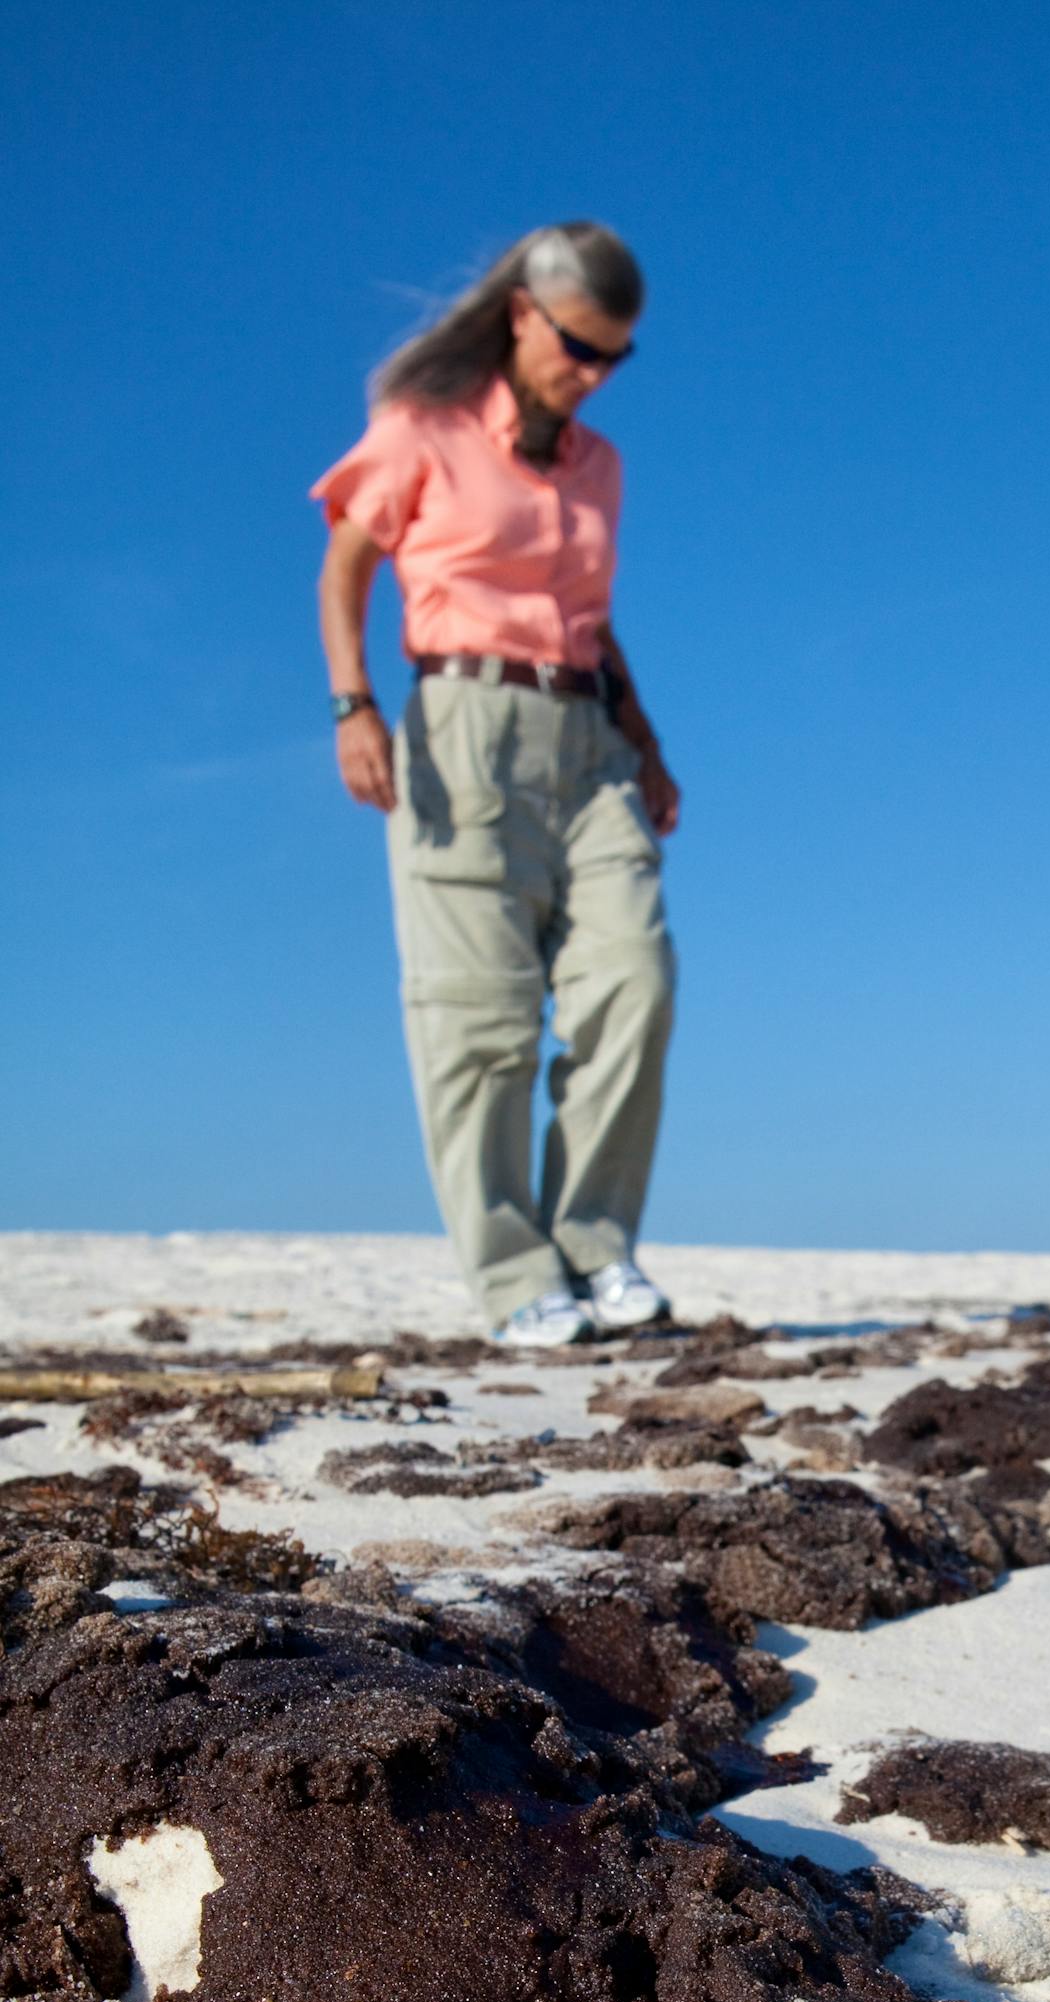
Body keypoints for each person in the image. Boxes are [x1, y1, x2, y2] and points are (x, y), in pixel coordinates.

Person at [313, 221, 680, 1347]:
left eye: (616, 356)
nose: (594, 374)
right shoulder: (419, 431)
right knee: (482, 1022)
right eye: (578, 346)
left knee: (635, 976)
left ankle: (594, 1244)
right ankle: (514, 1271)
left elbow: (592, 621)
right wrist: (352, 703)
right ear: (524, 312)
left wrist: (648, 743)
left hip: (588, 735)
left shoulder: (599, 467)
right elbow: (347, 565)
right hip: (458, 728)